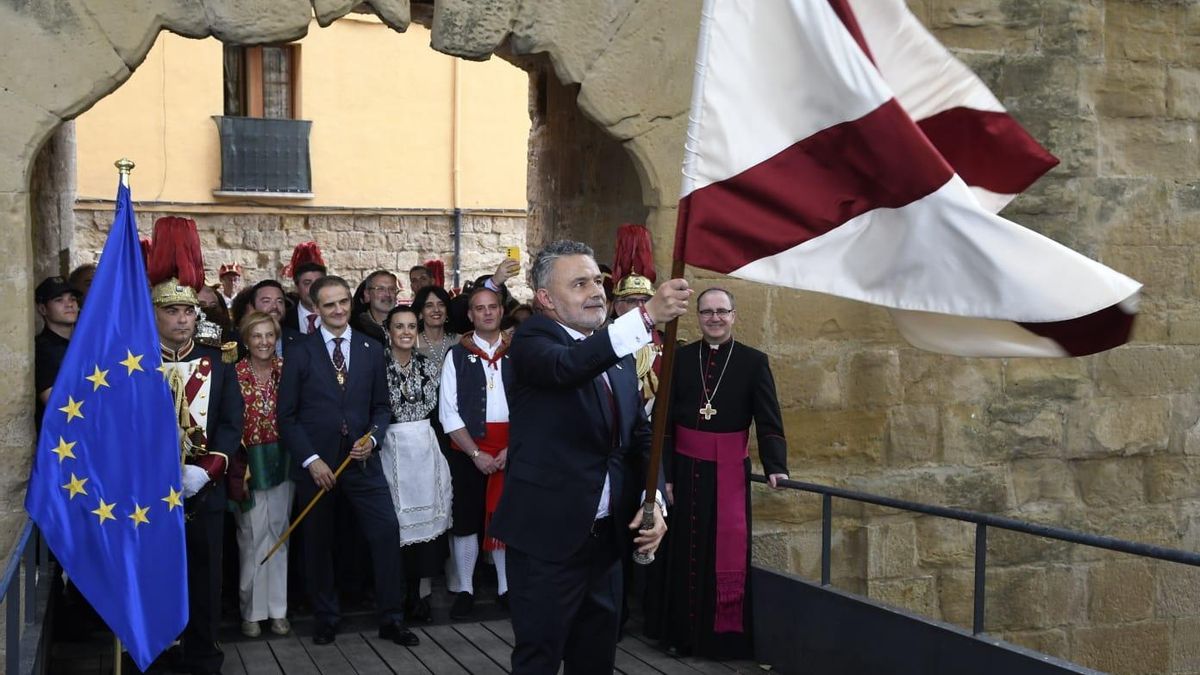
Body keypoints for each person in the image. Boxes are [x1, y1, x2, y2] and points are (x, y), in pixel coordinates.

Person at [490, 240, 688, 675]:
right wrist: (647, 316)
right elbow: (568, 367)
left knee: (596, 658)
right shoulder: (532, 342)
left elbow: (639, 434)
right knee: (538, 660)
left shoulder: (615, 356)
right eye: (579, 284)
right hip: (547, 542)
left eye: (597, 280)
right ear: (546, 298)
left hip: (605, 543)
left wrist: (652, 499)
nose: (596, 291)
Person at [277, 275, 419, 647]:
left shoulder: (373, 348)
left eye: (343, 302)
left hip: (363, 462)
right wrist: (311, 460)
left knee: (386, 533)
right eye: (329, 305)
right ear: (316, 309)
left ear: (351, 303)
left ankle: (391, 618)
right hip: (318, 466)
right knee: (318, 541)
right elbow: (287, 416)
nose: (338, 310)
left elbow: (381, 408)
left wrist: (373, 438)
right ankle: (325, 617)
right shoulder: (299, 351)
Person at [657, 287, 789, 660]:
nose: (714, 318)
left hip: (729, 472)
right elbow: (665, 421)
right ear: (697, 317)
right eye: (706, 312)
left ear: (733, 315)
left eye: (721, 311)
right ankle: (680, 636)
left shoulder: (753, 361)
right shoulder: (680, 359)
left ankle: (722, 640)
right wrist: (665, 473)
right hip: (685, 469)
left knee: (722, 551)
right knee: (684, 550)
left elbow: (768, 418)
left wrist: (776, 465)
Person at [148, 216, 243, 675]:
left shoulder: (217, 361)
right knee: (156, 573)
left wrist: (208, 469)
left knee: (206, 575)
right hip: (150, 490)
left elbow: (231, 421)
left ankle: (205, 654)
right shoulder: (136, 366)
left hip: (203, 485)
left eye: (188, 312)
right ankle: (159, 649)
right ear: (154, 314)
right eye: (171, 312)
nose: (182, 320)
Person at [438, 284, 513, 619]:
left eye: (492, 307)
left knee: (506, 518)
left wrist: (513, 448)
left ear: (501, 311)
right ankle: (466, 588)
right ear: (470, 315)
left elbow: (530, 405)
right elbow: (447, 411)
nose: (486, 312)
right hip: (468, 448)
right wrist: (474, 453)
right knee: (466, 519)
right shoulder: (457, 355)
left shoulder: (518, 352)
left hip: (511, 449)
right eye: (479, 308)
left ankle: (505, 588)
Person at [380, 305, 452, 623]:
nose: (406, 332)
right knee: (396, 526)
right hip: (391, 448)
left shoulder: (427, 363)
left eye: (412, 326)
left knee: (428, 529)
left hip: (424, 447)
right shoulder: (377, 365)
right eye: (400, 326)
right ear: (389, 331)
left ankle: (420, 596)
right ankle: (395, 598)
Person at [230, 311, 293, 639]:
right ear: (246, 340)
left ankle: (278, 610)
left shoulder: (287, 372)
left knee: (279, 533)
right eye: (257, 336)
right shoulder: (234, 374)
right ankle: (251, 611)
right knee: (251, 537)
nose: (265, 342)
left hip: (282, 459)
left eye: (270, 335)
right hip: (248, 462)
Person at [34, 276, 81, 430]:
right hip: (63, 440)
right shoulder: (41, 349)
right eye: (59, 300)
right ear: (42, 309)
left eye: (72, 298)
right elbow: (58, 406)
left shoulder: (83, 344)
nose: (69, 304)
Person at [281, 241, 327, 336]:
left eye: (318, 282)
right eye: (307, 283)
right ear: (297, 286)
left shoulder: (340, 318)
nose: (314, 288)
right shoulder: (282, 321)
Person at [412, 285, 459, 376]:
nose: (436, 310)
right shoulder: (411, 345)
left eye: (441, 305)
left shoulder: (462, 342)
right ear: (421, 313)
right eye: (429, 306)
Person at [354, 269, 399, 343]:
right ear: (367, 295)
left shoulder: (406, 325)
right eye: (380, 289)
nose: (388, 294)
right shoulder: (356, 329)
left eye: (392, 289)